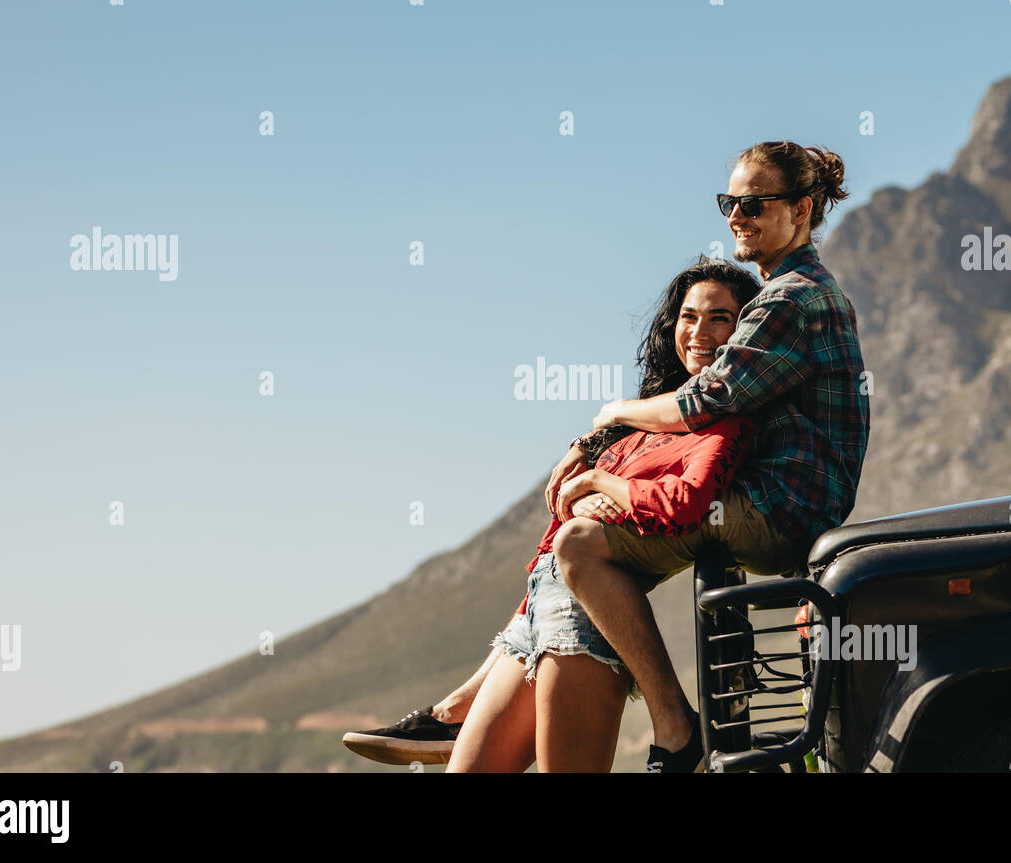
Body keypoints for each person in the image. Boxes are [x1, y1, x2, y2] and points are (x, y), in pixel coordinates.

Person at [346, 141, 869, 772]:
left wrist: (609, 416)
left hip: (780, 509)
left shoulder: (792, 298)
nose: (736, 214)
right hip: (779, 504)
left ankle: (675, 724)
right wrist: (595, 453)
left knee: (580, 545)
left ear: (802, 209)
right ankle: (466, 706)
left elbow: (704, 402)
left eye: (753, 203)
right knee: (578, 536)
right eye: (728, 201)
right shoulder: (789, 296)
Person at [345, 258, 761, 772]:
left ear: (743, 332)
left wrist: (603, 484)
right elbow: (557, 535)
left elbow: (686, 503)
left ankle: (675, 724)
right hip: (534, 615)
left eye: (720, 318)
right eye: (688, 316)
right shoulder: (649, 417)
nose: (698, 332)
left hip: (582, 622)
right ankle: (456, 710)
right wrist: (588, 447)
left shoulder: (723, 417)